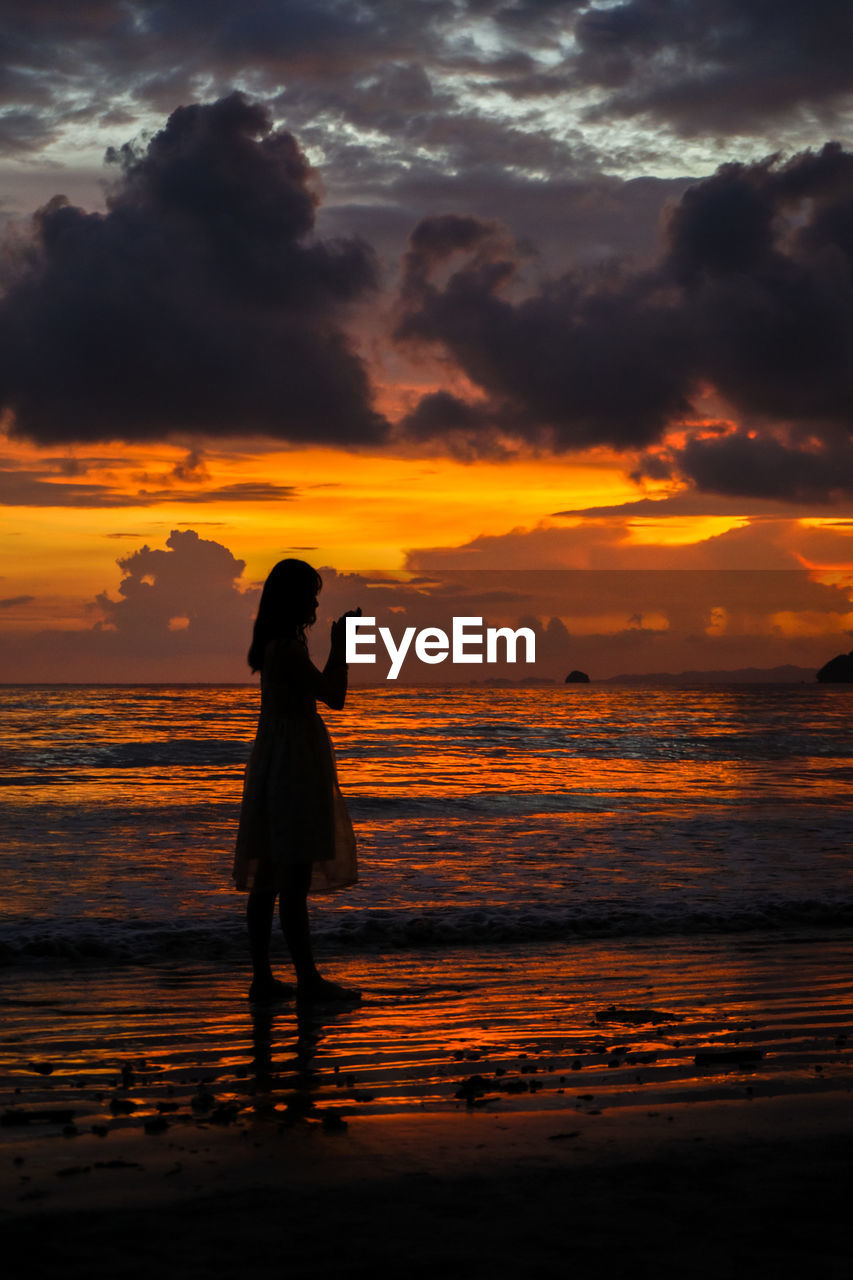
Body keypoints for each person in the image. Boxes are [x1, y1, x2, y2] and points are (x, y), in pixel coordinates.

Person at [233, 558, 359, 1003]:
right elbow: (335, 697)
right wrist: (342, 646)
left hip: (277, 758)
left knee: (270, 874)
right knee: (292, 879)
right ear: (294, 599)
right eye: (311, 593)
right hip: (294, 765)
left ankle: (264, 978)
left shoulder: (274, 646)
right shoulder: (287, 649)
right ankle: (307, 980)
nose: (316, 601)